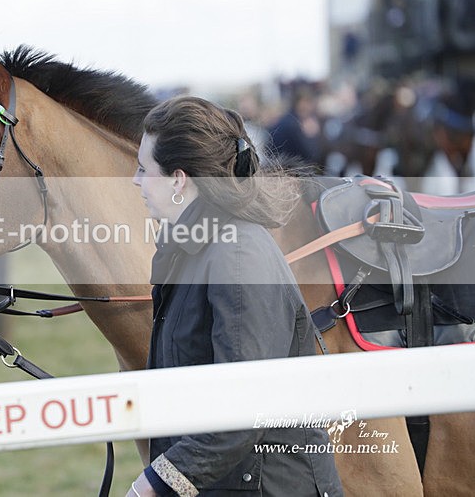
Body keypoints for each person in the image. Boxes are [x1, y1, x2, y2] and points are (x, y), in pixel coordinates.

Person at [129, 96, 342, 496]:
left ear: (178, 179)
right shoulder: (193, 246)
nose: (135, 181)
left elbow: (245, 406)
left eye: (144, 169)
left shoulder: (236, 253)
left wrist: (155, 484)